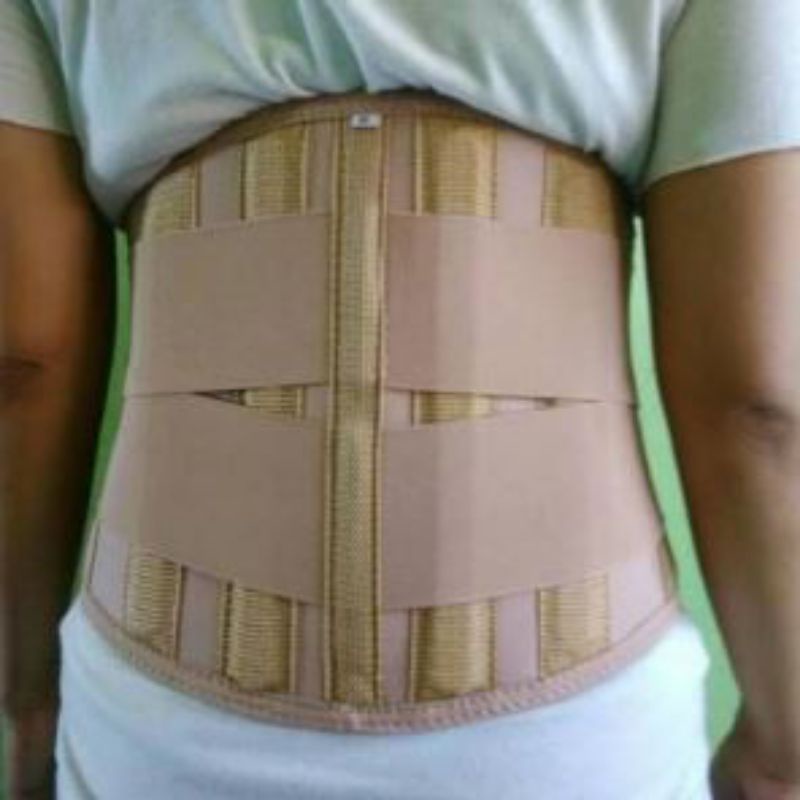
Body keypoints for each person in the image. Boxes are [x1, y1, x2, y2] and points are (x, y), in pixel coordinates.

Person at [1, 1, 799, 798]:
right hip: (570, 734)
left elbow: (24, 362)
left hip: (161, 724)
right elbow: (760, 404)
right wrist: (782, 745)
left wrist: (29, 701)